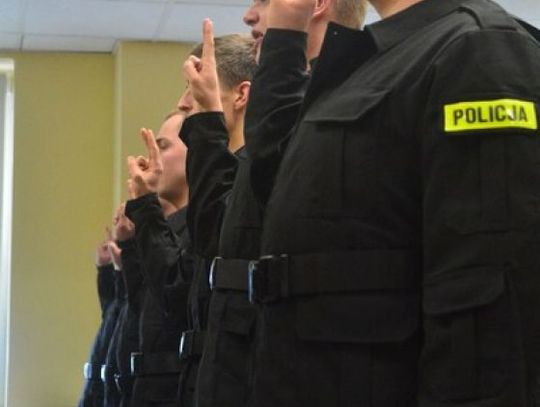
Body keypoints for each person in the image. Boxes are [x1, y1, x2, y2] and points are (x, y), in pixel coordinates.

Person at [244, 0, 540, 406]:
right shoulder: (373, 60)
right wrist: (285, 35)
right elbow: (275, 176)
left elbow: (489, 320)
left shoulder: (478, 48)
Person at [125, 111, 195, 407]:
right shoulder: (173, 227)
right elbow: (138, 315)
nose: (150, 160)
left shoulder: (202, 224)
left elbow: (174, 295)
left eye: (163, 146)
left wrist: (145, 206)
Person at [78, 229, 122, 407]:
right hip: (95, 389)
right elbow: (111, 309)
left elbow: (125, 303)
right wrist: (105, 269)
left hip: (109, 390)